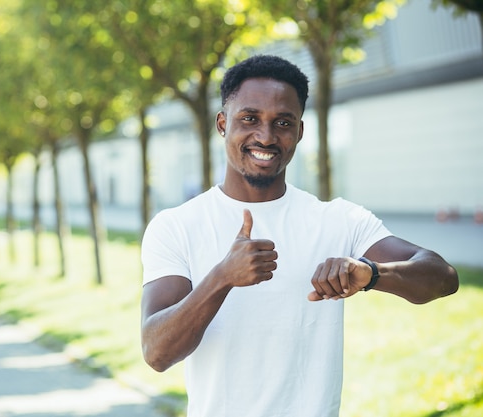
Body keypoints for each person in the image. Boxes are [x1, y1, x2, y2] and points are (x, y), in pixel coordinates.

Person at [139, 54, 459, 417]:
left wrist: (372, 273)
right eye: (249, 118)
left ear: (300, 132)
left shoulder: (339, 220)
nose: (266, 135)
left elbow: (443, 278)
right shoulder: (176, 226)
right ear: (222, 124)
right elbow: (156, 352)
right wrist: (221, 278)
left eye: (282, 122)